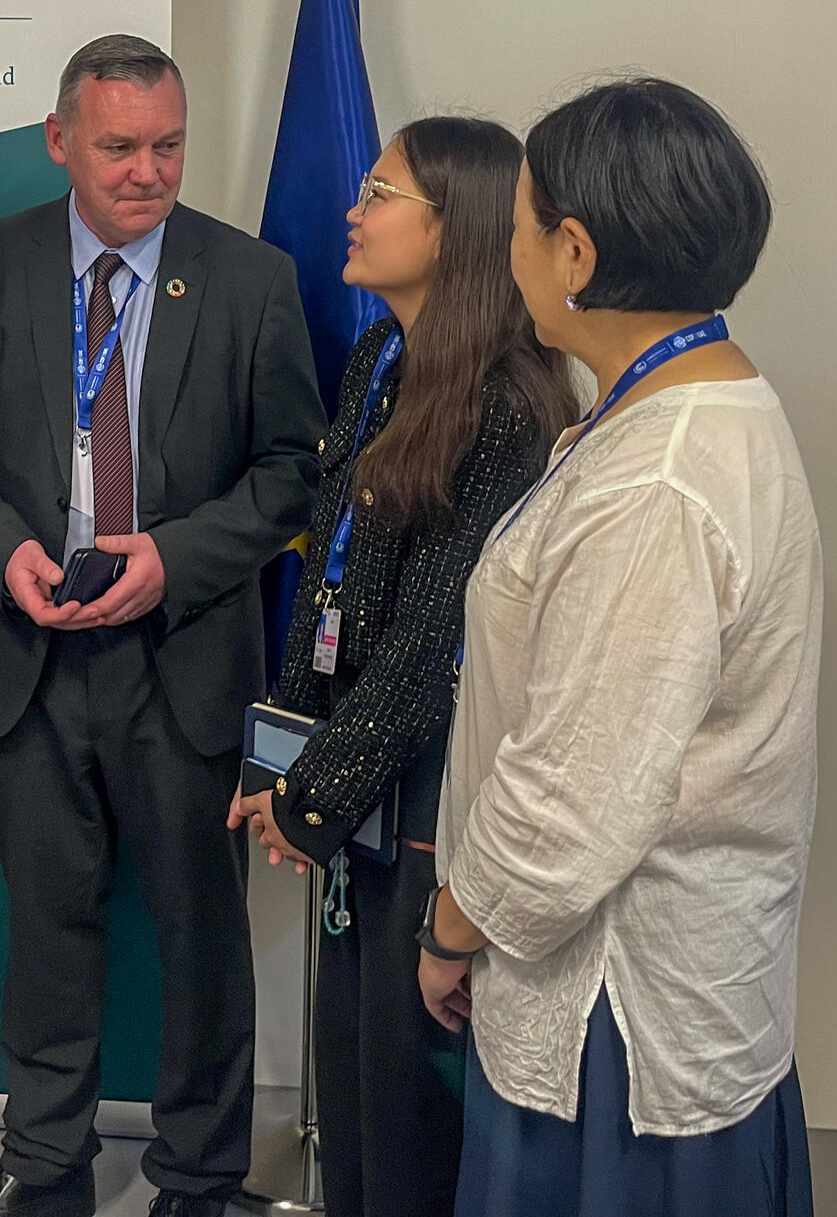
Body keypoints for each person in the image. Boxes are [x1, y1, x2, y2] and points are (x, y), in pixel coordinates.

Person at [0, 35, 325, 1217]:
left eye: (168, 146)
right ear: (60, 142)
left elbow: (295, 470)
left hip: (183, 660)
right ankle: (44, 1166)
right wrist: (6, 557)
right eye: (119, 147)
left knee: (201, 943)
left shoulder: (250, 280)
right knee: (45, 931)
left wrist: (174, 560)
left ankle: (197, 1177)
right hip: (29, 654)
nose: (146, 172)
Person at [419, 77, 820, 1216]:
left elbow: (572, 799)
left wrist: (451, 926)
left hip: (615, 1015)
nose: (509, 256)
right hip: (654, 977)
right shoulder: (677, 411)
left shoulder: (657, 482)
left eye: (517, 230)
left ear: (576, 254)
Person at [229, 117, 574, 1217]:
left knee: (408, 1104)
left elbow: (436, 644)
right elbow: (330, 570)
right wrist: (282, 751)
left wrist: (316, 789)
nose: (353, 209)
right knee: (353, 1082)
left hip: (425, 798)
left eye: (381, 194)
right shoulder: (384, 357)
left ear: (453, 229)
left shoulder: (508, 406)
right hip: (349, 781)